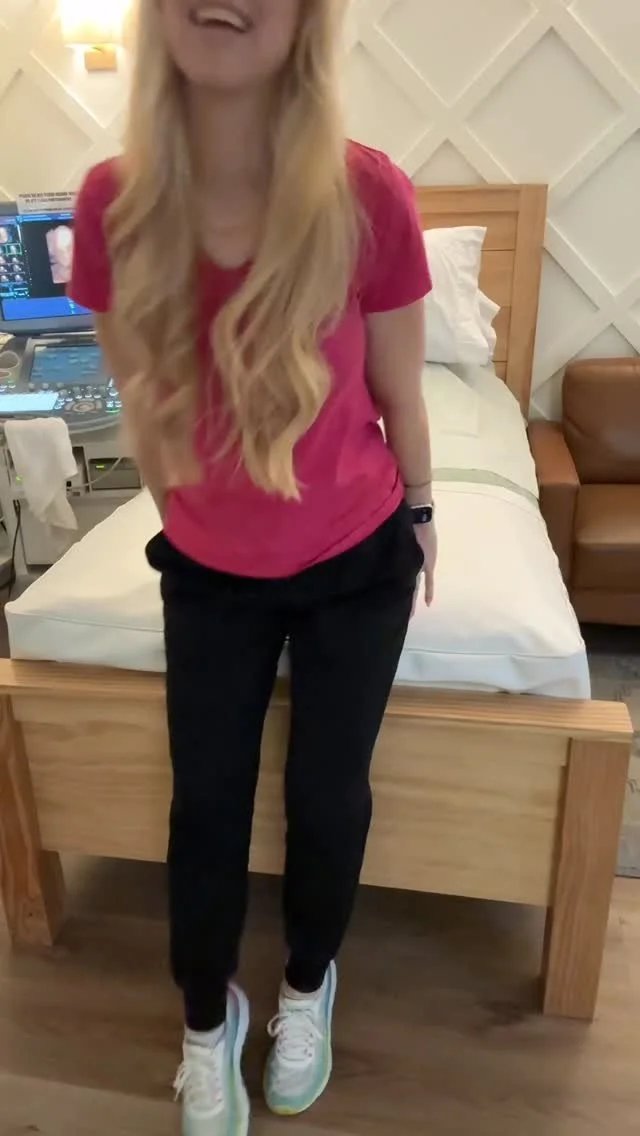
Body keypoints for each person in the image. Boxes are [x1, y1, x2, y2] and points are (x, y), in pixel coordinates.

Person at [69, 1, 437, 1133]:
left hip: (355, 554)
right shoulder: (111, 205)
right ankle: (205, 1019)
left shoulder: (369, 194)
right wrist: (195, 518)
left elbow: (400, 388)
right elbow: (143, 406)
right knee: (207, 803)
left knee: (329, 795)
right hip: (208, 568)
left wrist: (424, 510)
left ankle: (307, 984)